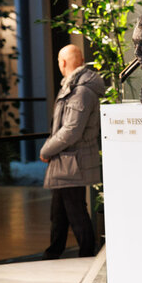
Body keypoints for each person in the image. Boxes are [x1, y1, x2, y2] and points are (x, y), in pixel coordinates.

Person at [40, 44, 104, 259]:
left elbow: (71, 130)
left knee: (75, 210)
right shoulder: (73, 86)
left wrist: (47, 149)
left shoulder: (81, 90)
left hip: (73, 161)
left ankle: (87, 253)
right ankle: (53, 252)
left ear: (63, 62)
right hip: (67, 161)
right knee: (58, 211)